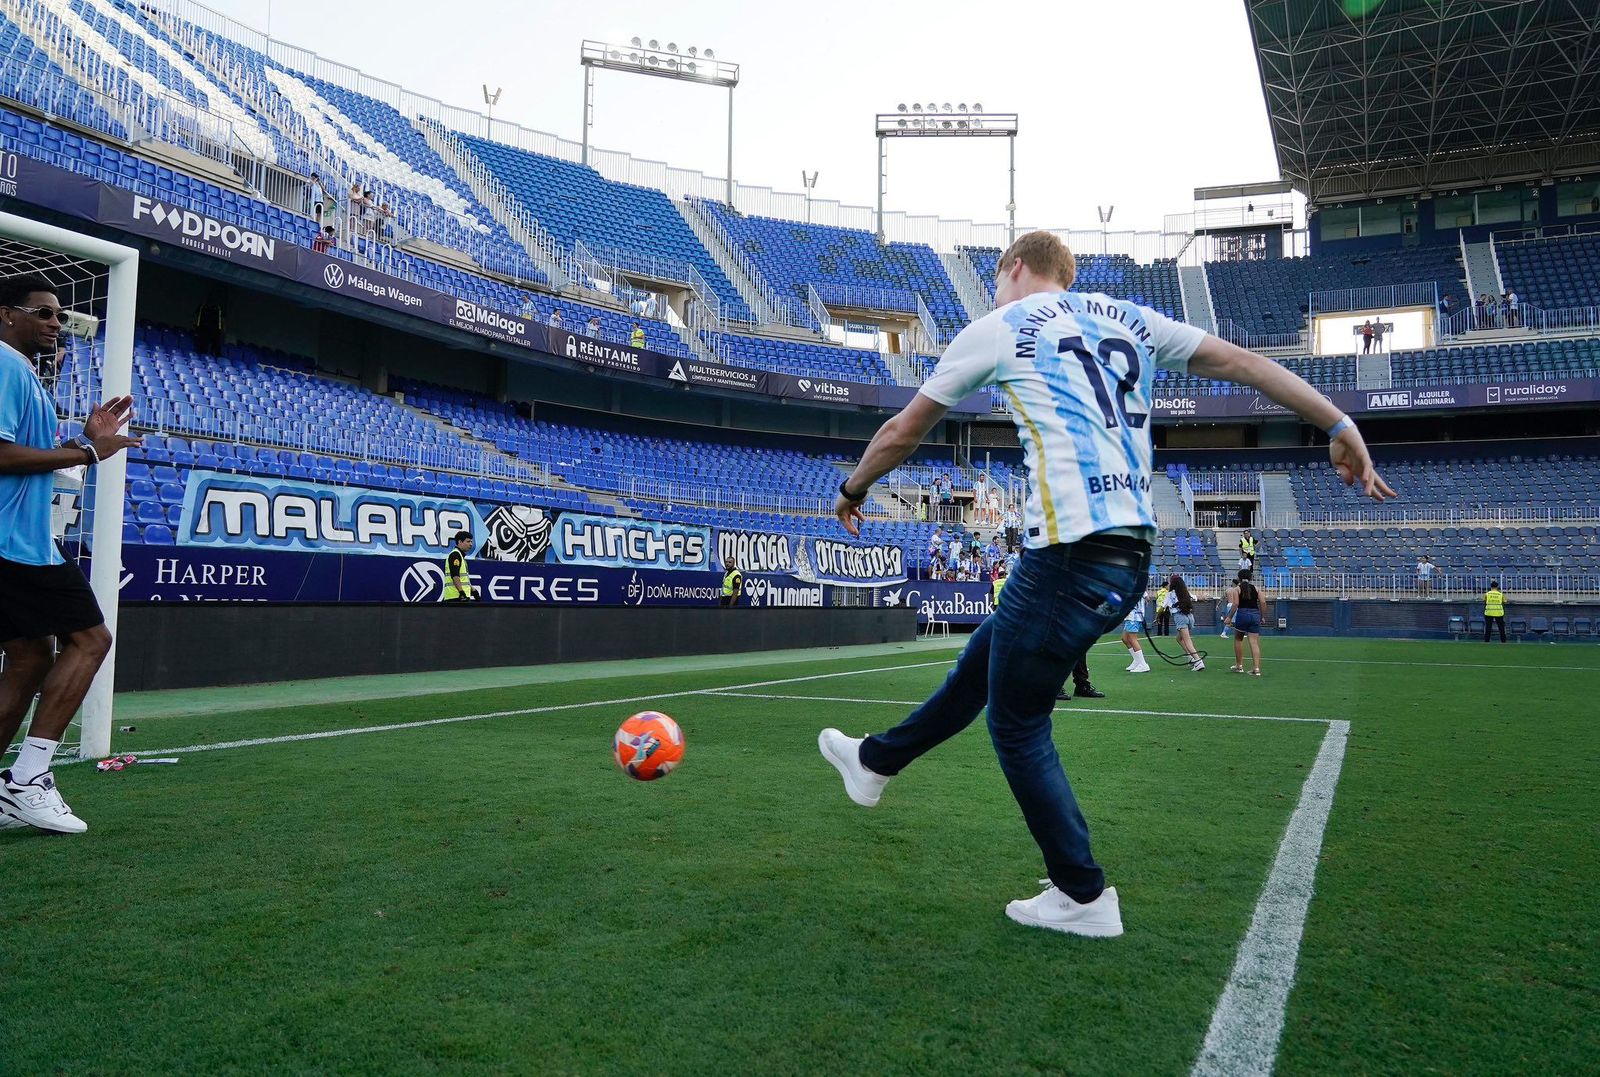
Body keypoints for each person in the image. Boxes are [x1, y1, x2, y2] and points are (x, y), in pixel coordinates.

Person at [818, 230, 1392, 937]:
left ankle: (1083, 893)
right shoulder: (1130, 317)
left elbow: (906, 428)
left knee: (1017, 721)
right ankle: (875, 761)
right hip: (1130, 551)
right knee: (982, 666)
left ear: (1015, 269)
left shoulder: (999, 325)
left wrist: (853, 487)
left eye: (998, 280)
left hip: (1066, 552)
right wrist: (1337, 420)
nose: (995, 293)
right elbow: (1242, 363)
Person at [0, 275, 140, 834]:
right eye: (44, 313)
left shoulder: (25, 372)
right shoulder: (6, 365)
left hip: (18, 541)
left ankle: (16, 787)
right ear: (7, 315)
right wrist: (84, 449)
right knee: (92, 639)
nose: (57, 323)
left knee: (31, 658)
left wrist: (82, 442)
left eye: (59, 315)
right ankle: (30, 778)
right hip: (17, 546)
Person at [1226, 570, 1266, 676]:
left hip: (1243, 614)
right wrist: (1262, 616)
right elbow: (1263, 602)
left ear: (1239, 578)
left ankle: (1239, 666)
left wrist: (1229, 617)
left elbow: (1235, 604)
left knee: (1238, 639)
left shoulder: (1237, 589)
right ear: (1250, 578)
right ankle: (1256, 669)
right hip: (1255, 615)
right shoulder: (1256, 589)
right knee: (1254, 642)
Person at [1168, 574, 1205, 671]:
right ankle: (1191, 657)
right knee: (1179, 638)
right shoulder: (1185, 592)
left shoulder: (1171, 594)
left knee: (1187, 641)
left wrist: (1158, 616)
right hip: (1189, 617)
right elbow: (1196, 598)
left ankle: (1198, 661)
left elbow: (1165, 606)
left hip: (1180, 617)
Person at [443, 531, 475, 602]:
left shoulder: (460, 556)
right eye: (468, 541)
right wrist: (461, 593)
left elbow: (463, 579)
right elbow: (455, 576)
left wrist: (473, 590)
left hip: (458, 596)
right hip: (456, 597)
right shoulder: (455, 555)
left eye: (471, 542)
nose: (471, 544)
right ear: (460, 542)